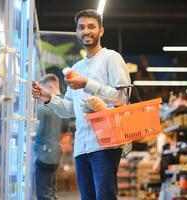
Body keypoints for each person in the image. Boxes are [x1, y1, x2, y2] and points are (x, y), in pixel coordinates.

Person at [32, 9, 131, 200]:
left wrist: (87, 84)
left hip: (105, 145)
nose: (86, 31)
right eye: (81, 27)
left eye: (91, 27)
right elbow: (70, 108)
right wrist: (48, 98)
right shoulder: (76, 68)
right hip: (82, 147)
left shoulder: (111, 58)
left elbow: (122, 98)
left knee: (105, 197)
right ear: (77, 32)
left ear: (101, 31)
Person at [33, 74, 63, 200]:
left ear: (50, 86)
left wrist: (33, 147)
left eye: (42, 89)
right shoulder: (62, 106)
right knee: (51, 191)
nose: (40, 94)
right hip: (56, 153)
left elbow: (38, 133)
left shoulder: (44, 108)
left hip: (43, 154)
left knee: (44, 193)